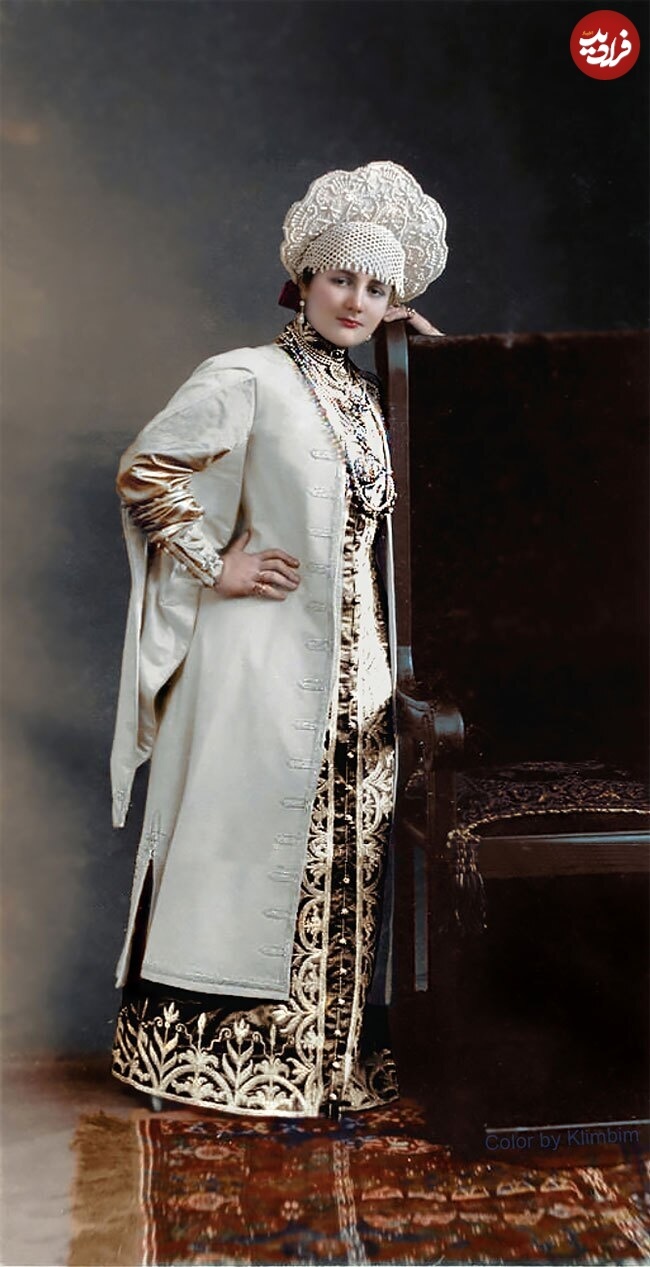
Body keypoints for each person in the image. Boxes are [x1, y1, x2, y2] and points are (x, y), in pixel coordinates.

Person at [110, 160, 447, 1117]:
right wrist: (215, 563)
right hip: (256, 665)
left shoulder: (371, 397)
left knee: (345, 856)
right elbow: (147, 469)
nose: (357, 300)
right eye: (340, 277)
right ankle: (217, 1067)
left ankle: (329, 1064)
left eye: (377, 287)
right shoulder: (247, 375)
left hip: (359, 673)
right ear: (302, 278)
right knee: (244, 857)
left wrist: (426, 346)